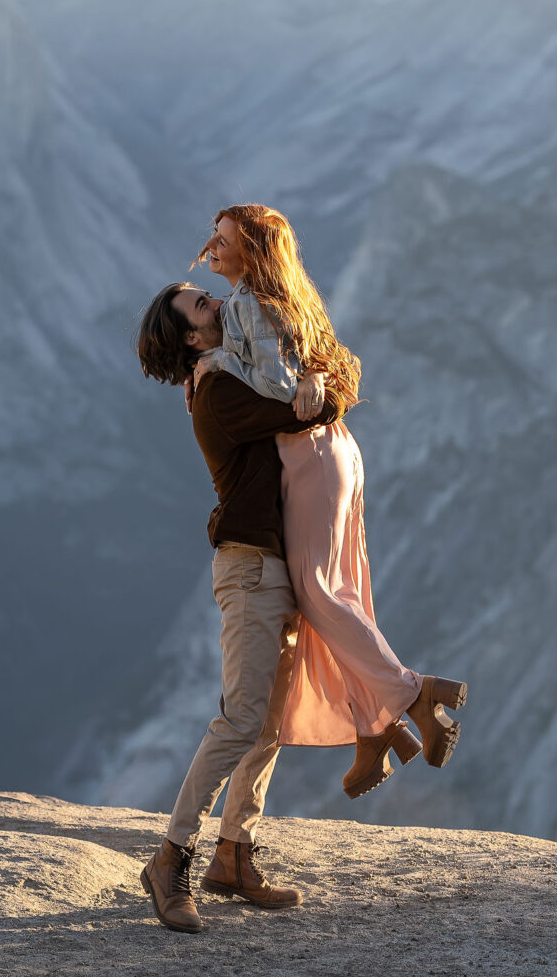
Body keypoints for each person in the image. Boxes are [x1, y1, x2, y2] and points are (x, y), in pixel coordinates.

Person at [189, 204, 467, 800]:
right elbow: (331, 371)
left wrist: (219, 359)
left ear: (253, 251)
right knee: (337, 589)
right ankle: (372, 729)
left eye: (224, 237)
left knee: (316, 591)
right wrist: (312, 378)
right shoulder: (293, 299)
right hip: (338, 452)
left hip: (308, 455)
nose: (211, 244)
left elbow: (284, 393)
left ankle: (413, 695)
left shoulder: (243, 304)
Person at [136, 284, 344, 933]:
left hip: (276, 565)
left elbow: (326, 385)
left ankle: (234, 855)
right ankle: (171, 858)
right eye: (202, 306)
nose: (219, 304)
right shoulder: (221, 390)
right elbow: (309, 409)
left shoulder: (238, 373)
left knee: (268, 723)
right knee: (241, 717)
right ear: (193, 340)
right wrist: (313, 384)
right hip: (250, 568)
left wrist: (314, 374)